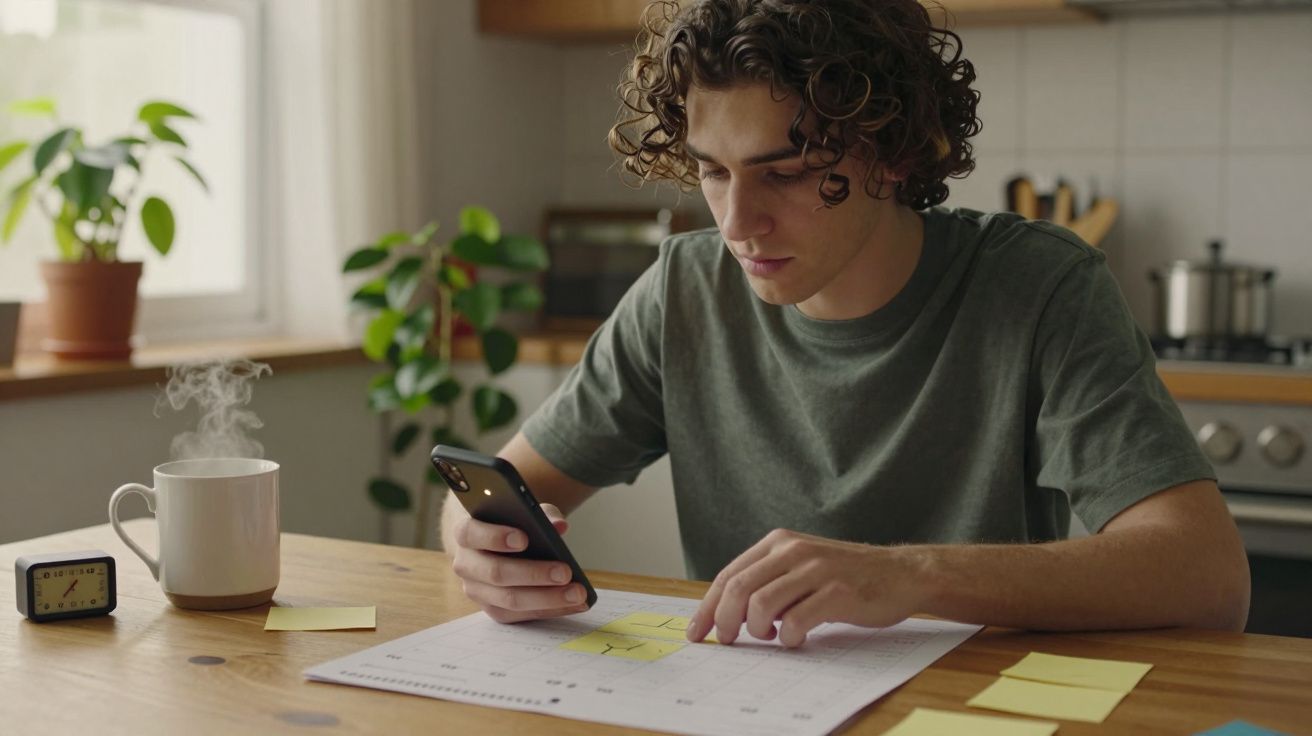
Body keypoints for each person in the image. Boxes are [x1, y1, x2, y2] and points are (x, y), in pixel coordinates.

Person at [441, 0, 1250, 648]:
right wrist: (480, 547)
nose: (736, 223)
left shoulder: (1038, 286)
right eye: (713, 172)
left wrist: (908, 575)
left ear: (893, 154)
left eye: (787, 173)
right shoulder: (683, 291)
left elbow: (1208, 579)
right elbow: (497, 490)